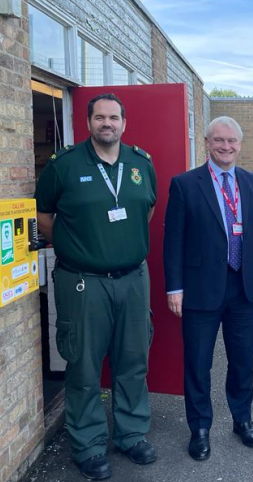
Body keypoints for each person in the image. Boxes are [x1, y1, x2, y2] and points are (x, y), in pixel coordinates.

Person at [35, 93, 157, 480]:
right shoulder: (65, 165)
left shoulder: (141, 164)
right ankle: (87, 446)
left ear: (124, 123)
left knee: (133, 361)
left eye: (114, 117)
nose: (108, 123)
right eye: (100, 117)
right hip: (83, 282)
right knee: (84, 365)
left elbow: (146, 209)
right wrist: (79, 245)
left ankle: (131, 434)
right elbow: (42, 215)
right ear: (88, 123)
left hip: (134, 279)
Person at [163, 116, 253, 461]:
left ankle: (243, 419)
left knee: (243, 360)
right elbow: (173, 241)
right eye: (219, 141)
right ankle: (199, 428)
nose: (226, 147)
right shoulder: (185, 184)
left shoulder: (252, 182)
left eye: (232, 141)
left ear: (240, 145)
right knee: (198, 363)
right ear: (207, 144)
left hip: (244, 287)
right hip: (200, 288)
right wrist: (174, 288)